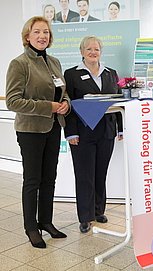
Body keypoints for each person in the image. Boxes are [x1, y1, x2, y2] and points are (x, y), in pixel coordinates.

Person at [6, 16, 70, 248]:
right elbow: (13, 101)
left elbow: (62, 92)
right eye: (37, 32)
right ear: (27, 36)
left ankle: (46, 222)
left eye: (46, 32)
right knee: (32, 180)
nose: (42, 36)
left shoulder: (54, 62)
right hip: (30, 130)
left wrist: (65, 105)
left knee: (49, 179)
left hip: (53, 127)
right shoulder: (19, 63)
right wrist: (49, 107)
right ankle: (31, 228)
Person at [64, 36, 122, 233]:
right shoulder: (71, 74)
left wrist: (120, 128)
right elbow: (68, 104)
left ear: (101, 52)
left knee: (100, 173)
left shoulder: (111, 74)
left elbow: (119, 100)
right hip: (82, 133)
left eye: (96, 49)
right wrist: (70, 132)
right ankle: (85, 216)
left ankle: (98, 210)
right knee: (84, 175)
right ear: (82, 52)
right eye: (88, 49)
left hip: (106, 131)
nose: (93, 52)